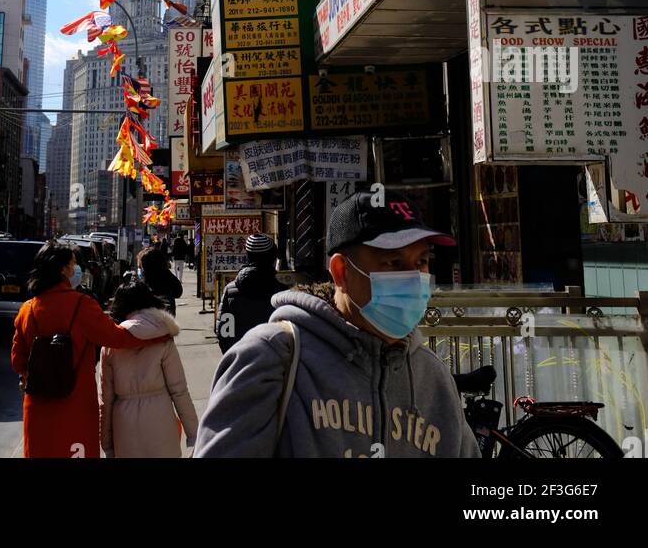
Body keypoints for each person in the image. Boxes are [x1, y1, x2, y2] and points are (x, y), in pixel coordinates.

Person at [194, 191, 480, 459]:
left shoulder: (433, 376)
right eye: (393, 262)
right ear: (341, 272)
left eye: (421, 261)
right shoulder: (271, 357)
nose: (412, 277)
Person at [11, 241, 168, 459]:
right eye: (74, 264)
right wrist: (159, 333)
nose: (78, 269)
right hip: (75, 408)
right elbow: (116, 337)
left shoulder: (27, 310)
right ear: (63, 269)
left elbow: (18, 361)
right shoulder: (81, 305)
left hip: (38, 408)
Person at [100, 280, 199, 459]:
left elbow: (106, 400)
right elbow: (179, 391)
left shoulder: (111, 343)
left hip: (124, 423)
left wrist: (107, 444)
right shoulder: (163, 336)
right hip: (160, 417)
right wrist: (194, 434)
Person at [215, 234, 283, 354]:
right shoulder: (282, 292)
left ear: (247, 256)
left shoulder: (231, 290)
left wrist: (234, 359)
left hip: (240, 361)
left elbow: (224, 333)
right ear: (272, 259)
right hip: (274, 364)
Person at [139, 244, 183, 316]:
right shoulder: (166, 275)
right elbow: (178, 292)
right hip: (167, 317)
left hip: (148, 317)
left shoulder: (143, 281)